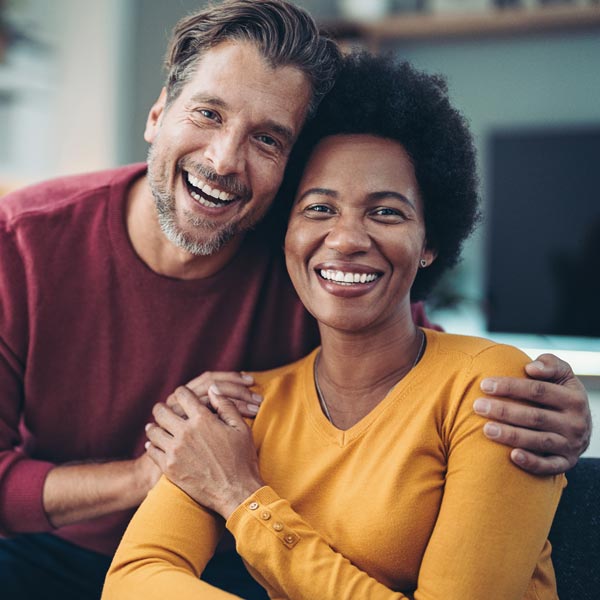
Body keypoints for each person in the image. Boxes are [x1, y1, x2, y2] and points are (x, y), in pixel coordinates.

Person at [0, 1, 590, 598]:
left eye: (267, 138)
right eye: (208, 113)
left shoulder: (307, 255)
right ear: (158, 112)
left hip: (241, 555)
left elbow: (414, 367)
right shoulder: (18, 243)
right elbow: (136, 576)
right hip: (52, 546)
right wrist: (147, 474)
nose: (224, 160)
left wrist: (553, 409)